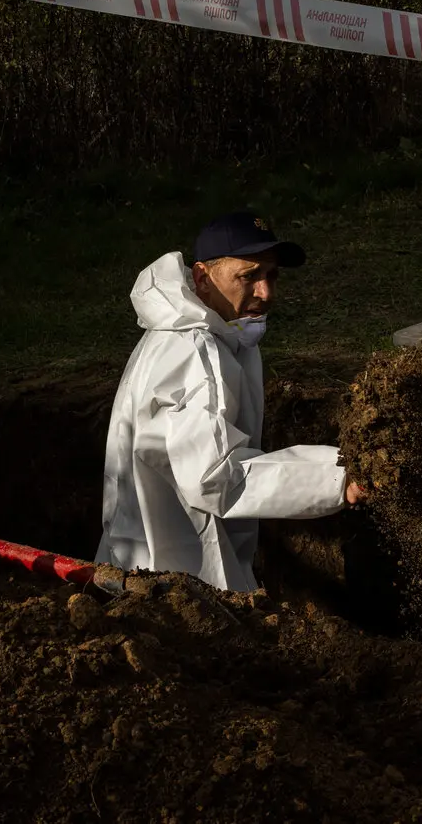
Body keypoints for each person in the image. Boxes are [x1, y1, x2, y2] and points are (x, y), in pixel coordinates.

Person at [95, 211, 366, 589]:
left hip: (148, 565)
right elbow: (214, 476)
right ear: (203, 277)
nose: (266, 292)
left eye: (271, 275)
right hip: (179, 580)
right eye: (249, 276)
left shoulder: (205, 333)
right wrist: (339, 476)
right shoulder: (196, 353)